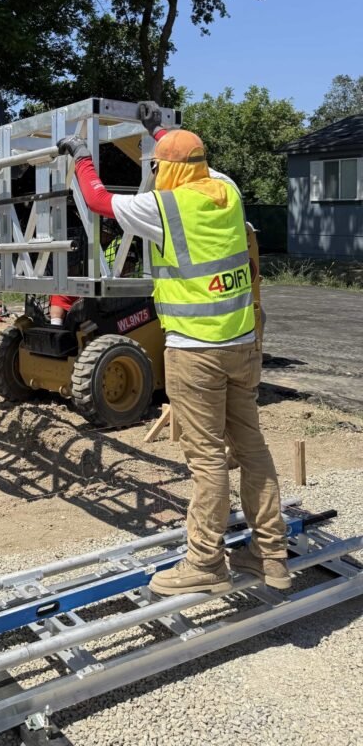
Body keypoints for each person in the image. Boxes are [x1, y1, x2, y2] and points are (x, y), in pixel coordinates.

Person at [57, 101, 289, 596]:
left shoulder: (163, 208)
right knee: (252, 449)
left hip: (195, 352)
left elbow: (98, 201)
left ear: (169, 171)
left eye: (158, 165)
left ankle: (205, 562)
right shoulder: (227, 190)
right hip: (242, 344)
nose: (155, 172)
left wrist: (79, 155)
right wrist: (159, 130)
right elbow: (192, 158)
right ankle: (270, 555)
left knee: (206, 461)